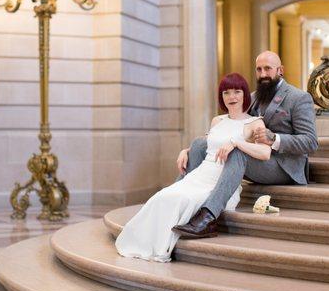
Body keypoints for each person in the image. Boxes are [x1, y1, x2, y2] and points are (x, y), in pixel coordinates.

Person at [115, 73, 271, 262]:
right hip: (201, 173)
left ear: (245, 94)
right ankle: (141, 241)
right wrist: (186, 150)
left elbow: (265, 153)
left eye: (237, 92)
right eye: (226, 93)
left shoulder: (254, 123)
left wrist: (237, 143)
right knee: (163, 196)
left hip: (221, 181)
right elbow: (208, 144)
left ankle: (198, 224)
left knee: (183, 199)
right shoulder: (217, 120)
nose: (232, 97)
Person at [172, 51, 318, 239]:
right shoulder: (252, 97)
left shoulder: (299, 97)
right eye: (259, 69)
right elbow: (227, 128)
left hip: (283, 166)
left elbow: (310, 142)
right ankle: (177, 197)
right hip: (254, 156)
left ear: (280, 70)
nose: (263, 74)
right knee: (200, 144)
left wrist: (274, 139)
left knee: (238, 151)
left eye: (268, 68)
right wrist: (188, 151)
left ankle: (208, 218)